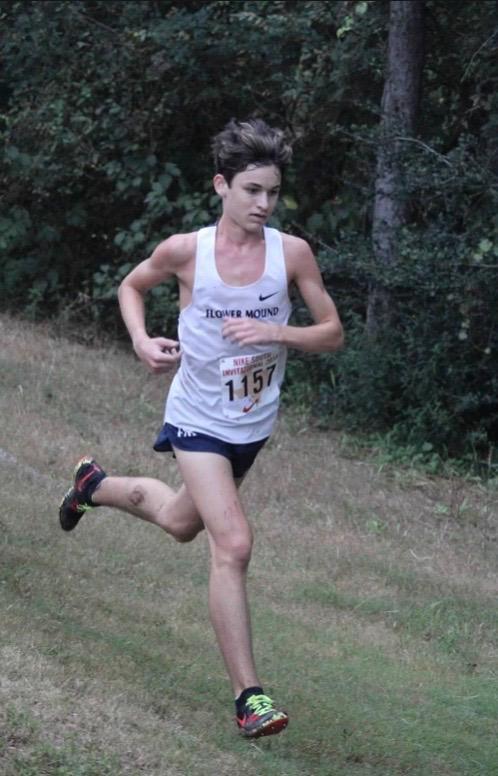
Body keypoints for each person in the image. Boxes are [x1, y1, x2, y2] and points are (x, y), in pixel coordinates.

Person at [59, 118, 344, 738]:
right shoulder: (186, 252)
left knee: (181, 522)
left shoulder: (291, 253)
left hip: (252, 424)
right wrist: (140, 339)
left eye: (272, 192)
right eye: (251, 191)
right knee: (233, 543)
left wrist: (277, 331)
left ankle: (93, 485)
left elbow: (332, 332)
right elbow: (132, 286)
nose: (263, 204)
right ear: (222, 186)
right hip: (196, 418)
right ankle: (250, 698)